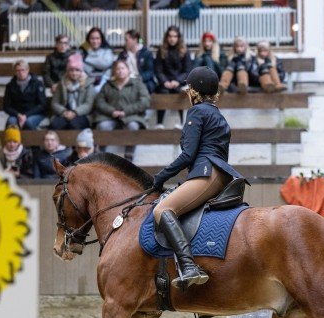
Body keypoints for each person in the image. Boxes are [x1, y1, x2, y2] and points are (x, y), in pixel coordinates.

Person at [152, 67, 246, 290]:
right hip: (221, 174)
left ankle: (188, 266)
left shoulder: (197, 112)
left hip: (207, 173)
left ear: (194, 91)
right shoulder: (216, 113)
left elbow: (188, 155)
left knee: (161, 211)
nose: (187, 92)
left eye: (189, 88)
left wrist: (160, 177)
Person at [94, 59, 150, 162]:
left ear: (128, 70)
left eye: (122, 68)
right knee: (102, 126)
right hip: (110, 116)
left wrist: (126, 111)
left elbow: (145, 101)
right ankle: (100, 155)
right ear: (114, 72)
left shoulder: (137, 84)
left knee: (133, 126)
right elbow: (99, 101)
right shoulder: (108, 85)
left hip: (131, 116)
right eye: (117, 69)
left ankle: (129, 156)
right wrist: (112, 111)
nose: (120, 71)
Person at [154, 25, 192, 129]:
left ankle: (181, 122)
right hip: (165, 82)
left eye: (175, 36)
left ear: (178, 37)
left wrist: (178, 81)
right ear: (166, 37)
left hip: (180, 82)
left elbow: (188, 71)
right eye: (170, 36)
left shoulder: (185, 51)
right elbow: (158, 70)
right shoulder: (161, 51)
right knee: (162, 92)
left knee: (179, 92)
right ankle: (159, 123)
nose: (172, 39)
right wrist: (164, 81)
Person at [50, 53, 95, 130]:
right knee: (55, 125)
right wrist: (64, 112)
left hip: (82, 114)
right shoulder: (62, 83)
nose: (74, 73)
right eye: (71, 70)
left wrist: (75, 112)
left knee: (74, 125)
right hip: (65, 112)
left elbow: (88, 104)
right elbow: (54, 103)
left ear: (81, 71)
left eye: (77, 70)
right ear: (67, 71)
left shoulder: (88, 84)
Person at [3, 59, 47, 130]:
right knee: (11, 122)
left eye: (23, 70)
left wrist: (26, 115)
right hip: (17, 114)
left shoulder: (37, 84)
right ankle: (12, 141)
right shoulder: (10, 86)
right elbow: (6, 106)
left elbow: (42, 104)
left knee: (28, 123)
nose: (21, 73)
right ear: (15, 72)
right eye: (18, 70)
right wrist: (18, 115)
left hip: (34, 113)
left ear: (27, 70)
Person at [117, 29, 156, 94]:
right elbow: (117, 68)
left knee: (146, 87)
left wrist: (139, 78)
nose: (125, 42)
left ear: (135, 40)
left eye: (127, 40)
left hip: (141, 80)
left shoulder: (146, 53)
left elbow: (150, 71)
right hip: (126, 79)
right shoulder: (123, 54)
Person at [81, 27, 115, 92]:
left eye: (97, 38)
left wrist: (86, 59)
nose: (95, 41)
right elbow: (81, 67)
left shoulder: (107, 50)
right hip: (87, 82)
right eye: (92, 38)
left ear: (101, 39)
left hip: (105, 81)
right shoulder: (82, 50)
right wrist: (98, 63)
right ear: (88, 39)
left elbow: (105, 63)